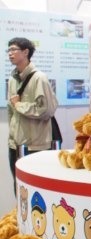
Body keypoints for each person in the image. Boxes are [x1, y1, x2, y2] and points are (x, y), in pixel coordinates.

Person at [7, 37, 57, 194]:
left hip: (35, 146)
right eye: (8, 50)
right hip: (15, 145)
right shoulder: (12, 79)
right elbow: (11, 111)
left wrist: (19, 105)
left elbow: (47, 110)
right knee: (18, 186)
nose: (10, 53)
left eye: (13, 49)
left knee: (37, 190)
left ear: (25, 52)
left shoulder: (39, 78)